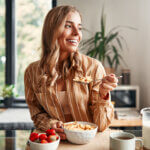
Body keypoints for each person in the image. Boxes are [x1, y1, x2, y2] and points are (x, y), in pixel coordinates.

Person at [24, 5, 118, 141]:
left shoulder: (94, 67)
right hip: (56, 142)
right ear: (51, 30)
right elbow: (37, 113)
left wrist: (103, 94)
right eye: (68, 26)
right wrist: (51, 125)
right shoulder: (32, 72)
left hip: (90, 143)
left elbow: (101, 126)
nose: (76, 33)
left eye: (79, 28)